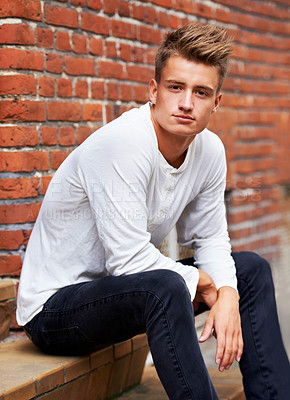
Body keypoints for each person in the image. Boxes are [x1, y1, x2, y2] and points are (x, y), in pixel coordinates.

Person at [16, 22, 289, 399]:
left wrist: (228, 292)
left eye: (201, 92)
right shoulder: (123, 143)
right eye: (176, 87)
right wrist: (210, 285)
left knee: (251, 271)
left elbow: (210, 238)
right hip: (54, 310)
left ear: (217, 102)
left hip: (126, 295)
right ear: (154, 90)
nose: (187, 103)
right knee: (166, 285)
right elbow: (127, 262)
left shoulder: (210, 151)